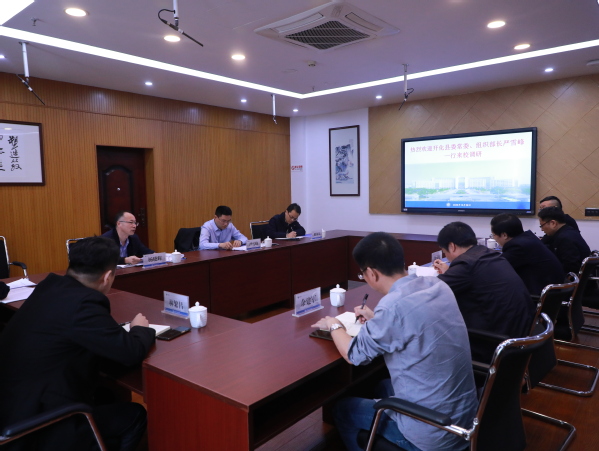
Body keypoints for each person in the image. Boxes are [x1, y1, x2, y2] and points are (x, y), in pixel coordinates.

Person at [312, 232, 477, 451]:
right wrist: (376, 319)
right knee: (382, 386)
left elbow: (354, 355)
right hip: (465, 420)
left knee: (343, 410)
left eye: (363, 274)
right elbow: (413, 323)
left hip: (434, 434)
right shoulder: (437, 286)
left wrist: (335, 325)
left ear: (371, 273)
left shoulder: (393, 306)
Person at [0, 237, 156, 451]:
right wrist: (139, 328)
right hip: (34, 426)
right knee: (134, 415)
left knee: (107, 395)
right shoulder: (83, 304)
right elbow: (131, 352)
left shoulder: (49, 287)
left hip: (12, 404)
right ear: (108, 277)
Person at [433, 221, 535, 361]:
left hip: (496, 344)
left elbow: (430, 291)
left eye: (445, 252)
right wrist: (451, 272)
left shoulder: (466, 264)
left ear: (452, 246)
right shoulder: (488, 254)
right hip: (521, 335)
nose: (447, 257)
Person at [490, 213, 564, 295]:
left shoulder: (518, 246)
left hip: (542, 295)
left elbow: (497, 269)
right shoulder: (527, 238)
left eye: (493, 235)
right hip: (551, 289)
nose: (494, 238)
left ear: (504, 235)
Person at [538, 206, 591, 275]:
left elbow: (570, 268)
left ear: (553, 223)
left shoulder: (564, 239)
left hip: (572, 278)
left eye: (542, 225)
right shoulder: (569, 232)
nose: (542, 229)